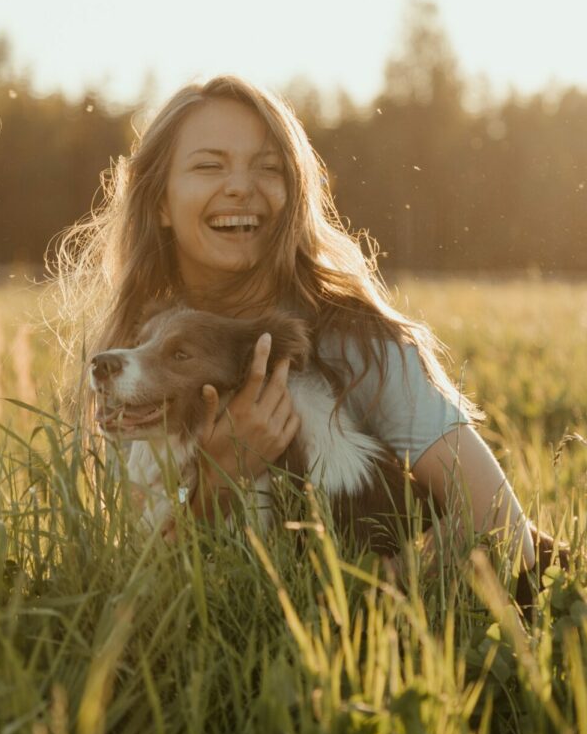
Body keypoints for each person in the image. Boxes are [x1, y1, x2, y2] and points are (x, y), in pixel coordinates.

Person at [54, 75, 541, 580]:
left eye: (269, 167)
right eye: (209, 165)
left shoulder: (360, 343)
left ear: (295, 194)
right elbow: (138, 576)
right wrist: (220, 479)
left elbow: (504, 530)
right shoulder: (129, 357)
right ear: (158, 201)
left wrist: (365, 599)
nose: (241, 186)